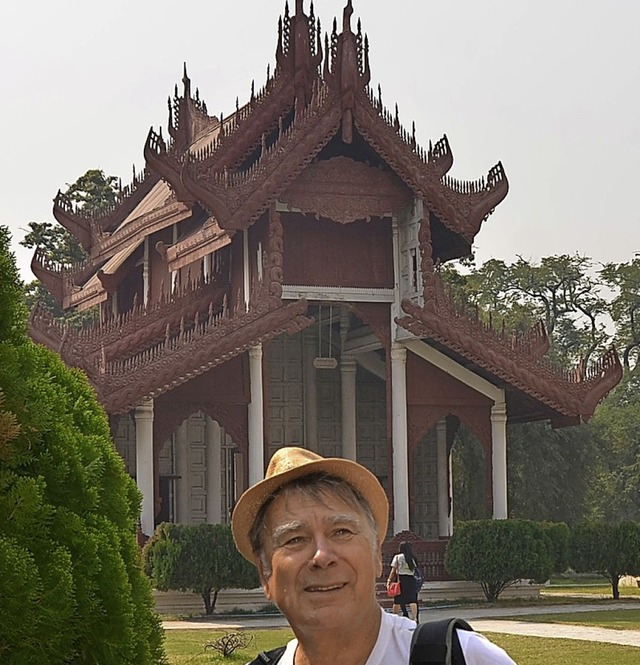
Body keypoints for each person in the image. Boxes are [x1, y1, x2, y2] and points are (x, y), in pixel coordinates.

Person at [231, 446, 517, 665]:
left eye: (341, 532)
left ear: (377, 555)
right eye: (295, 539)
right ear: (265, 574)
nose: (322, 556)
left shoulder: (462, 657)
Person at [388, 540, 419, 622]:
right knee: (412, 599)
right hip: (411, 579)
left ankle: (394, 618)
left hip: (401, 579)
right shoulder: (412, 558)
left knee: (398, 600)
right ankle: (415, 618)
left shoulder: (398, 557)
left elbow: (393, 570)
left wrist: (389, 580)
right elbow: (415, 569)